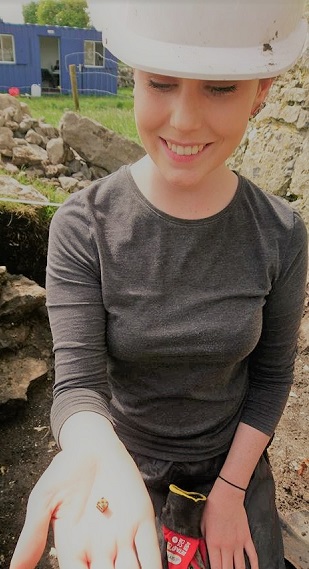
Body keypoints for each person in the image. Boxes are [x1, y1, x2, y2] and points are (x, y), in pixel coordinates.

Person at [10, 1, 308, 569]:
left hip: (232, 468)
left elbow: (271, 380)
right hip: (122, 468)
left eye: (220, 88)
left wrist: (230, 492)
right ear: (135, 78)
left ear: (262, 90)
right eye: (161, 83)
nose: (184, 120)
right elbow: (77, 384)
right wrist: (97, 454)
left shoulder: (281, 234)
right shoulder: (82, 226)